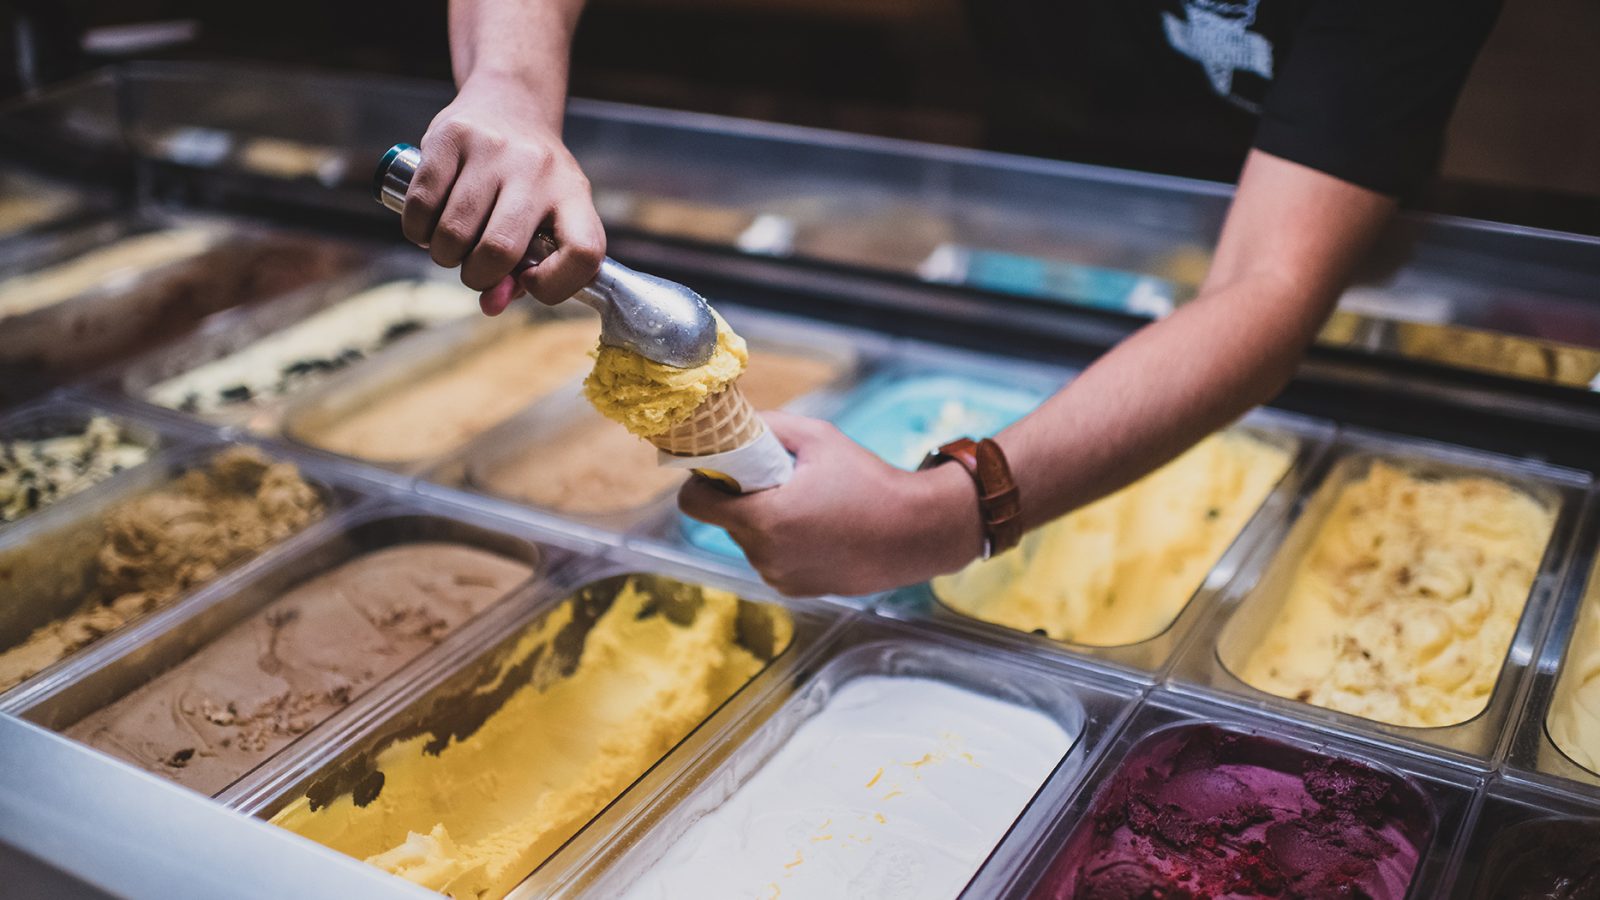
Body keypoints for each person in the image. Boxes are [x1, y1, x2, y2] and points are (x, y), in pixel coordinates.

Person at [404, 0, 1502, 597]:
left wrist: (947, 514)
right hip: (1026, 212)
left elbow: (1267, 287)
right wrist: (507, 84)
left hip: (1319, 227)